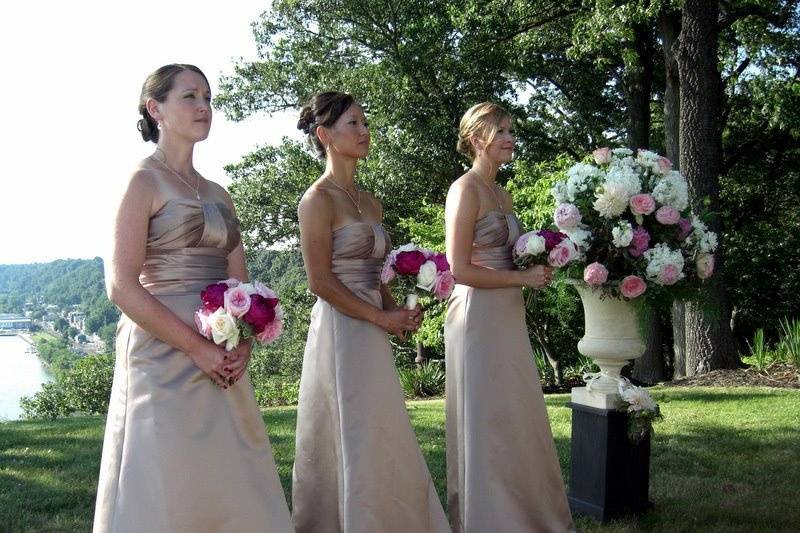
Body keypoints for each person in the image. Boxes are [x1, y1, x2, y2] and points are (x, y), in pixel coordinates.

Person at [93, 64, 292, 533]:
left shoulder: (219, 193)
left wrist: (243, 342)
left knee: (231, 475)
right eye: (189, 97)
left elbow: (240, 285)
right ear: (155, 108)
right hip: (162, 353)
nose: (203, 106)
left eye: (207, 97)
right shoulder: (141, 183)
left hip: (222, 355)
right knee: (165, 477)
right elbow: (121, 285)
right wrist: (195, 347)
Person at [292, 91, 449, 533]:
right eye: (353, 124)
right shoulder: (317, 200)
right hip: (341, 329)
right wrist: (379, 317)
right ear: (325, 136)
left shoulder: (370, 200)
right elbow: (319, 281)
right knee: (350, 428)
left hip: (374, 327)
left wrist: (396, 309)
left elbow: (378, 272)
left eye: (365, 122)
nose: (364, 131)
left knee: (381, 427)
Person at [444, 102, 574, 532]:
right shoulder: (465, 189)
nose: (510, 138)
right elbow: (459, 268)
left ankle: (522, 514)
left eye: (511, 130)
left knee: (514, 412)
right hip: (477, 315)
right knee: (485, 415)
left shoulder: (503, 193)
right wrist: (521, 275)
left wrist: (537, 263)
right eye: (501, 130)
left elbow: (507, 254)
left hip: (506, 310)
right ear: (477, 137)